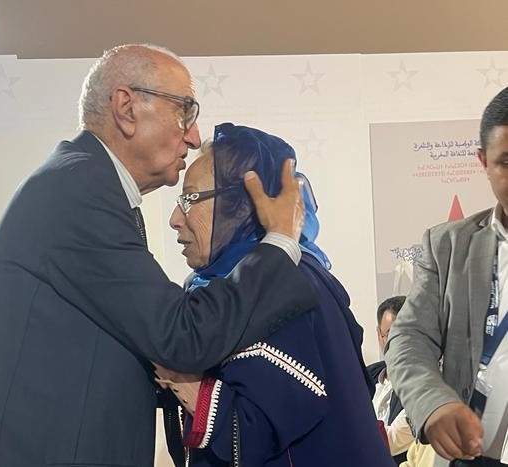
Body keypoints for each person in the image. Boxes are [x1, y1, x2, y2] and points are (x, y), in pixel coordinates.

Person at [0, 44, 318, 467]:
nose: (194, 135)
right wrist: (279, 241)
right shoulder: (77, 191)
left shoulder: (85, 184)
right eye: (184, 110)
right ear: (126, 108)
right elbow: (182, 336)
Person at [155, 122, 394, 467]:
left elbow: (253, 432)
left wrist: (182, 380)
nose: (175, 218)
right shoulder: (297, 274)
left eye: (189, 199)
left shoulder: (277, 287)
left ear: (241, 205)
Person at [386, 86, 508, 467]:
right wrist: (432, 402)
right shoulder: (448, 246)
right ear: (483, 162)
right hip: (463, 458)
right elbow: (408, 338)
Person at [367, 295, 415, 465]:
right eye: (389, 335)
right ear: (379, 336)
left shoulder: (425, 386)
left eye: (402, 334)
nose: (396, 343)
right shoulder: (366, 375)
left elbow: (391, 440)